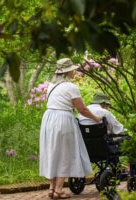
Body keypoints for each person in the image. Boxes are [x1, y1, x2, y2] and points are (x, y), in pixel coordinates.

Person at [39, 58, 102, 199]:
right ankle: (59, 190)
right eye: (73, 69)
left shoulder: (51, 86)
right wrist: (97, 119)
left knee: (52, 152)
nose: (74, 72)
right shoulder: (71, 87)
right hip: (63, 119)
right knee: (64, 153)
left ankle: (51, 188)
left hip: (48, 118)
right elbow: (82, 109)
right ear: (68, 71)